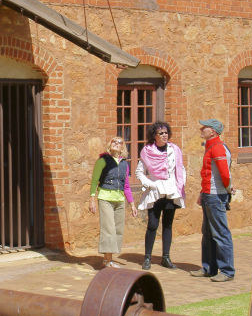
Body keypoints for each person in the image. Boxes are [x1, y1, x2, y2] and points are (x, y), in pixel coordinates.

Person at [135, 121, 186, 270]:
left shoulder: (174, 150)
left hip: (171, 190)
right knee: (152, 224)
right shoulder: (147, 151)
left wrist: (180, 184)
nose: (164, 135)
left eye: (166, 133)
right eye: (161, 133)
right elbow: (139, 171)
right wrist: (151, 184)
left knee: (168, 224)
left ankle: (166, 257)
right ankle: (147, 258)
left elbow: (180, 168)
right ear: (154, 136)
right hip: (155, 191)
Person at [193, 118, 234, 281]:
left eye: (205, 127)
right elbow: (208, 174)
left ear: (213, 131)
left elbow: (225, 174)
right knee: (208, 233)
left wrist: (228, 190)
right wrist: (202, 193)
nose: (201, 129)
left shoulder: (217, 148)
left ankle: (227, 271)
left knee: (221, 233)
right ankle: (209, 268)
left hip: (216, 195)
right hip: (209, 194)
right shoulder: (211, 146)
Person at [88, 134, 138, 267]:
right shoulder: (102, 160)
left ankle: (109, 258)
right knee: (108, 229)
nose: (116, 143)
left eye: (120, 142)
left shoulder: (124, 164)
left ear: (123, 147)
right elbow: (94, 181)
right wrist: (92, 199)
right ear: (110, 145)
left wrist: (132, 204)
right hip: (105, 198)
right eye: (114, 141)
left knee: (117, 230)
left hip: (119, 200)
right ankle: (107, 260)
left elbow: (126, 186)